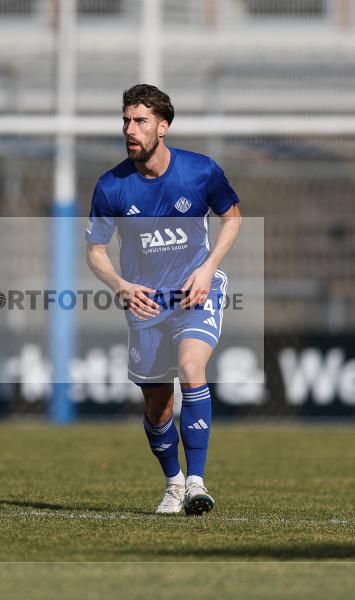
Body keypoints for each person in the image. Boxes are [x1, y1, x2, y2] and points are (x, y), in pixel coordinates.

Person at [85, 84, 242, 515]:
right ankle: (173, 483)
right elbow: (95, 251)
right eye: (126, 121)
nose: (130, 130)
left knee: (192, 368)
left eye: (140, 121)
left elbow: (232, 219)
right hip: (146, 304)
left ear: (163, 126)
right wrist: (121, 285)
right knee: (158, 407)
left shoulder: (200, 171)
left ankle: (196, 483)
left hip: (195, 292)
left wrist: (208, 269)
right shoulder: (112, 186)